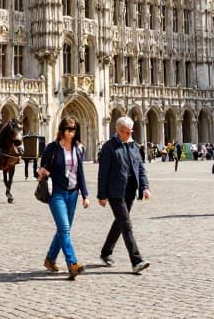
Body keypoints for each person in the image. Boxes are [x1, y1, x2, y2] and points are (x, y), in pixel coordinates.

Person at [97, 116, 151, 274]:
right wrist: (102, 195)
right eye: (127, 132)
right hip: (115, 191)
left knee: (120, 223)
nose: (130, 134)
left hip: (130, 190)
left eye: (131, 131)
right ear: (119, 131)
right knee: (126, 225)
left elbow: (140, 168)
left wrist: (145, 187)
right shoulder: (109, 147)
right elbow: (103, 173)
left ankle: (106, 253)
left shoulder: (134, 146)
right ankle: (136, 260)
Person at [37, 115, 89, 280]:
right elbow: (40, 168)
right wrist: (41, 172)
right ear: (61, 131)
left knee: (63, 230)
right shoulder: (52, 148)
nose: (71, 132)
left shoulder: (78, 149)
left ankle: (50, 259)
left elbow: (80, 173)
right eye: (69, 129)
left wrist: (85, 195)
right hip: (56, 193)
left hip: (73, 193)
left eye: (74, 129)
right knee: (65, 228)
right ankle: (72, 264)